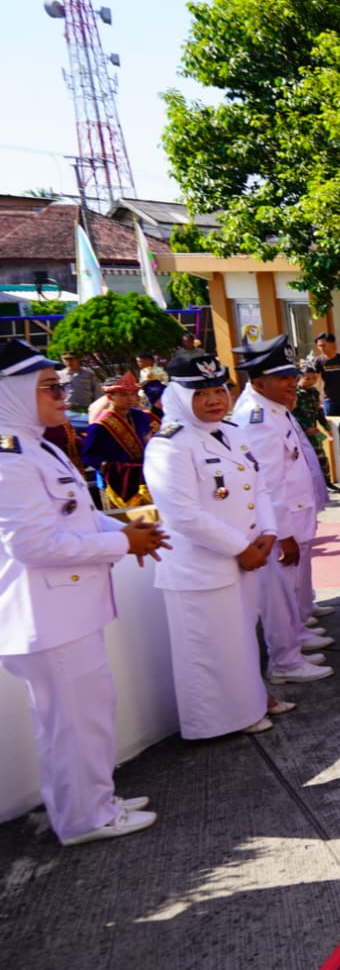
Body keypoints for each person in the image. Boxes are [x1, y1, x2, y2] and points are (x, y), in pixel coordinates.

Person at [0, 340, 169, 846]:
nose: (63, 392)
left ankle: (95, 799)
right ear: (10, 394)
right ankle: (84, 818)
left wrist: (131, 531)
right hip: (46, 617)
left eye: (60, 384)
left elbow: (78, 515)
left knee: (88, 711)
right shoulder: (9, 459)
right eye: (50, 387)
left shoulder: (39, 445)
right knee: (71, 723)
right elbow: (33, 545)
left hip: (66, 611)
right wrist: (120, 541)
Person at [144, 353, 287, 739]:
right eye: (200, 393)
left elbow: (260, 486)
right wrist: (243, 548)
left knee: (239, 642)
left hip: (244, 559)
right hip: (202, 567)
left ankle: (251, 703)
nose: (213, 400)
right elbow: (183, 514)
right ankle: (214, 725)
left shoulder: (231, 432)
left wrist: (269, 534)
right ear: (176, 396)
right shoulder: (169, 446)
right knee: (208, 653)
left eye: (218, 390)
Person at [231, 336, 334, 686]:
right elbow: (268, 484)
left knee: (290, 593)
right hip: (279, 527)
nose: (292, 382)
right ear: (258, 382)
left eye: (292, 375)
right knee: (278, 597)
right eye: (283, 377)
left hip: (294, 517)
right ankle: (285, 662)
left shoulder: (274, 408)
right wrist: (284, 534)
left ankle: (296, 643)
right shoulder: (257, 418)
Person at [80, 373, 155, 507]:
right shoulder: (100, 425)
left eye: (132, 394)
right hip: (119, 481)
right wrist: (108, 467)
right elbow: (88, 454)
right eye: (123, 395)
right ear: (110, 397)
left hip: (147, 476)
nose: (130, 398)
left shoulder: (141, 416)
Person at [293, 365, 336, 488]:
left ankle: (327, 483)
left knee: (321, 457)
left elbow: (318, 412)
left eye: (314, 379)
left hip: (313, 431)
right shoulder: (294, 394)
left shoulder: (314, 392)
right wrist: (305, 429)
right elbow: (293, 415)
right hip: (299, 432)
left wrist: (327, 429)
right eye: (307, 378)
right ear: (299, 378)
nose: (311, 381)